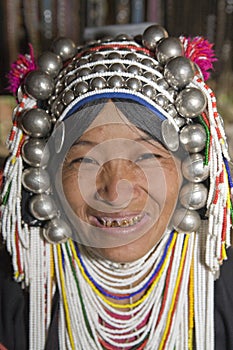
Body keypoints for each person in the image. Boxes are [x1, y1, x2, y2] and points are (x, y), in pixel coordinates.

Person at [0, 23, 233, 350]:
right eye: (85, 161)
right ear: (47, 175)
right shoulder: (16, 290)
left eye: (148, 156)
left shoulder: (224, 288)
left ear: (191, 168)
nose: (115, 191)